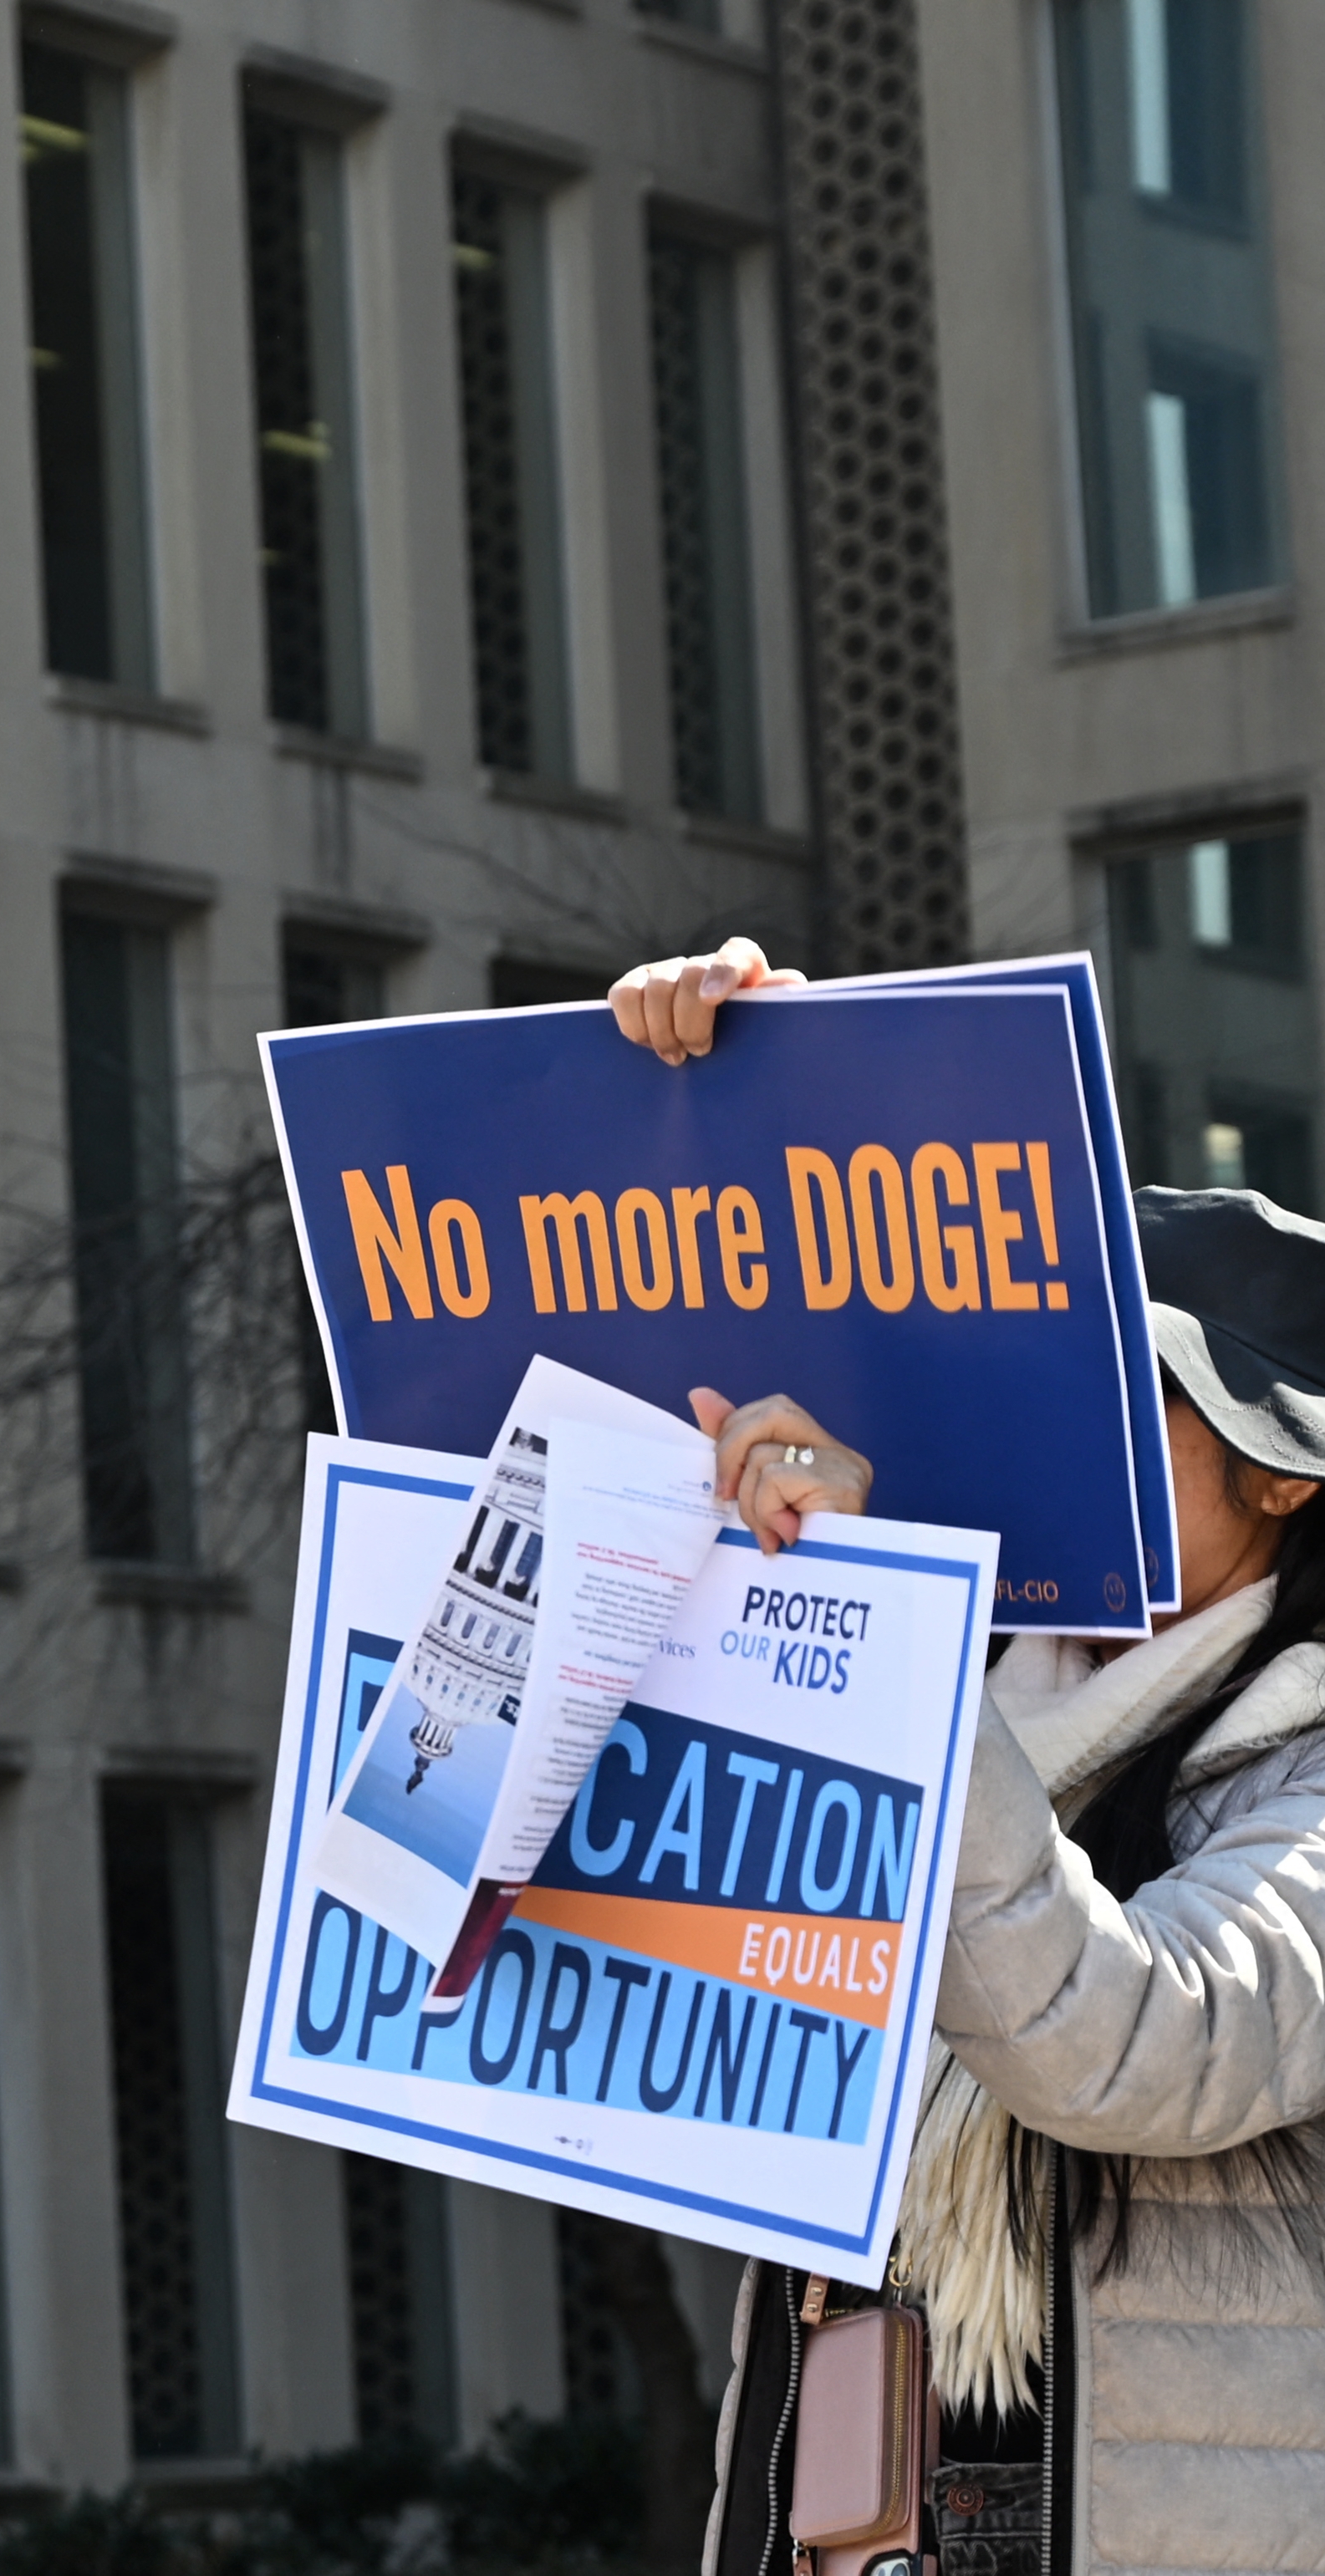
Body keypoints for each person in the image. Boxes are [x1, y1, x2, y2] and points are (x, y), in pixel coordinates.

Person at [611, 943, 1325, 2576]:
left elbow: (1130, 2040)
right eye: (1045, 1385)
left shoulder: (1263, 1769)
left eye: (1132, 1394)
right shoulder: (948, 1695)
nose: (1066, 1435)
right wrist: (723, 1090)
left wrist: (885, 1637)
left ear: (1288, 1475)